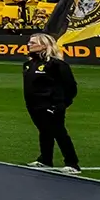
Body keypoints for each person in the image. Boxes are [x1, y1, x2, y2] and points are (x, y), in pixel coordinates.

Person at [22, 32, 80, 174]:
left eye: (33, 43)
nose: (29, 45)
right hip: (34, 105)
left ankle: (72, 163)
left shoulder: (57, 65)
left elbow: (71, 86)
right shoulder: (28, 64)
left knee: (59, 132)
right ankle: (45, 160)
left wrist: (61, 104)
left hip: (52, 105)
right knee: (44, 132)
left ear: (44, 45)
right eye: (29, 42)